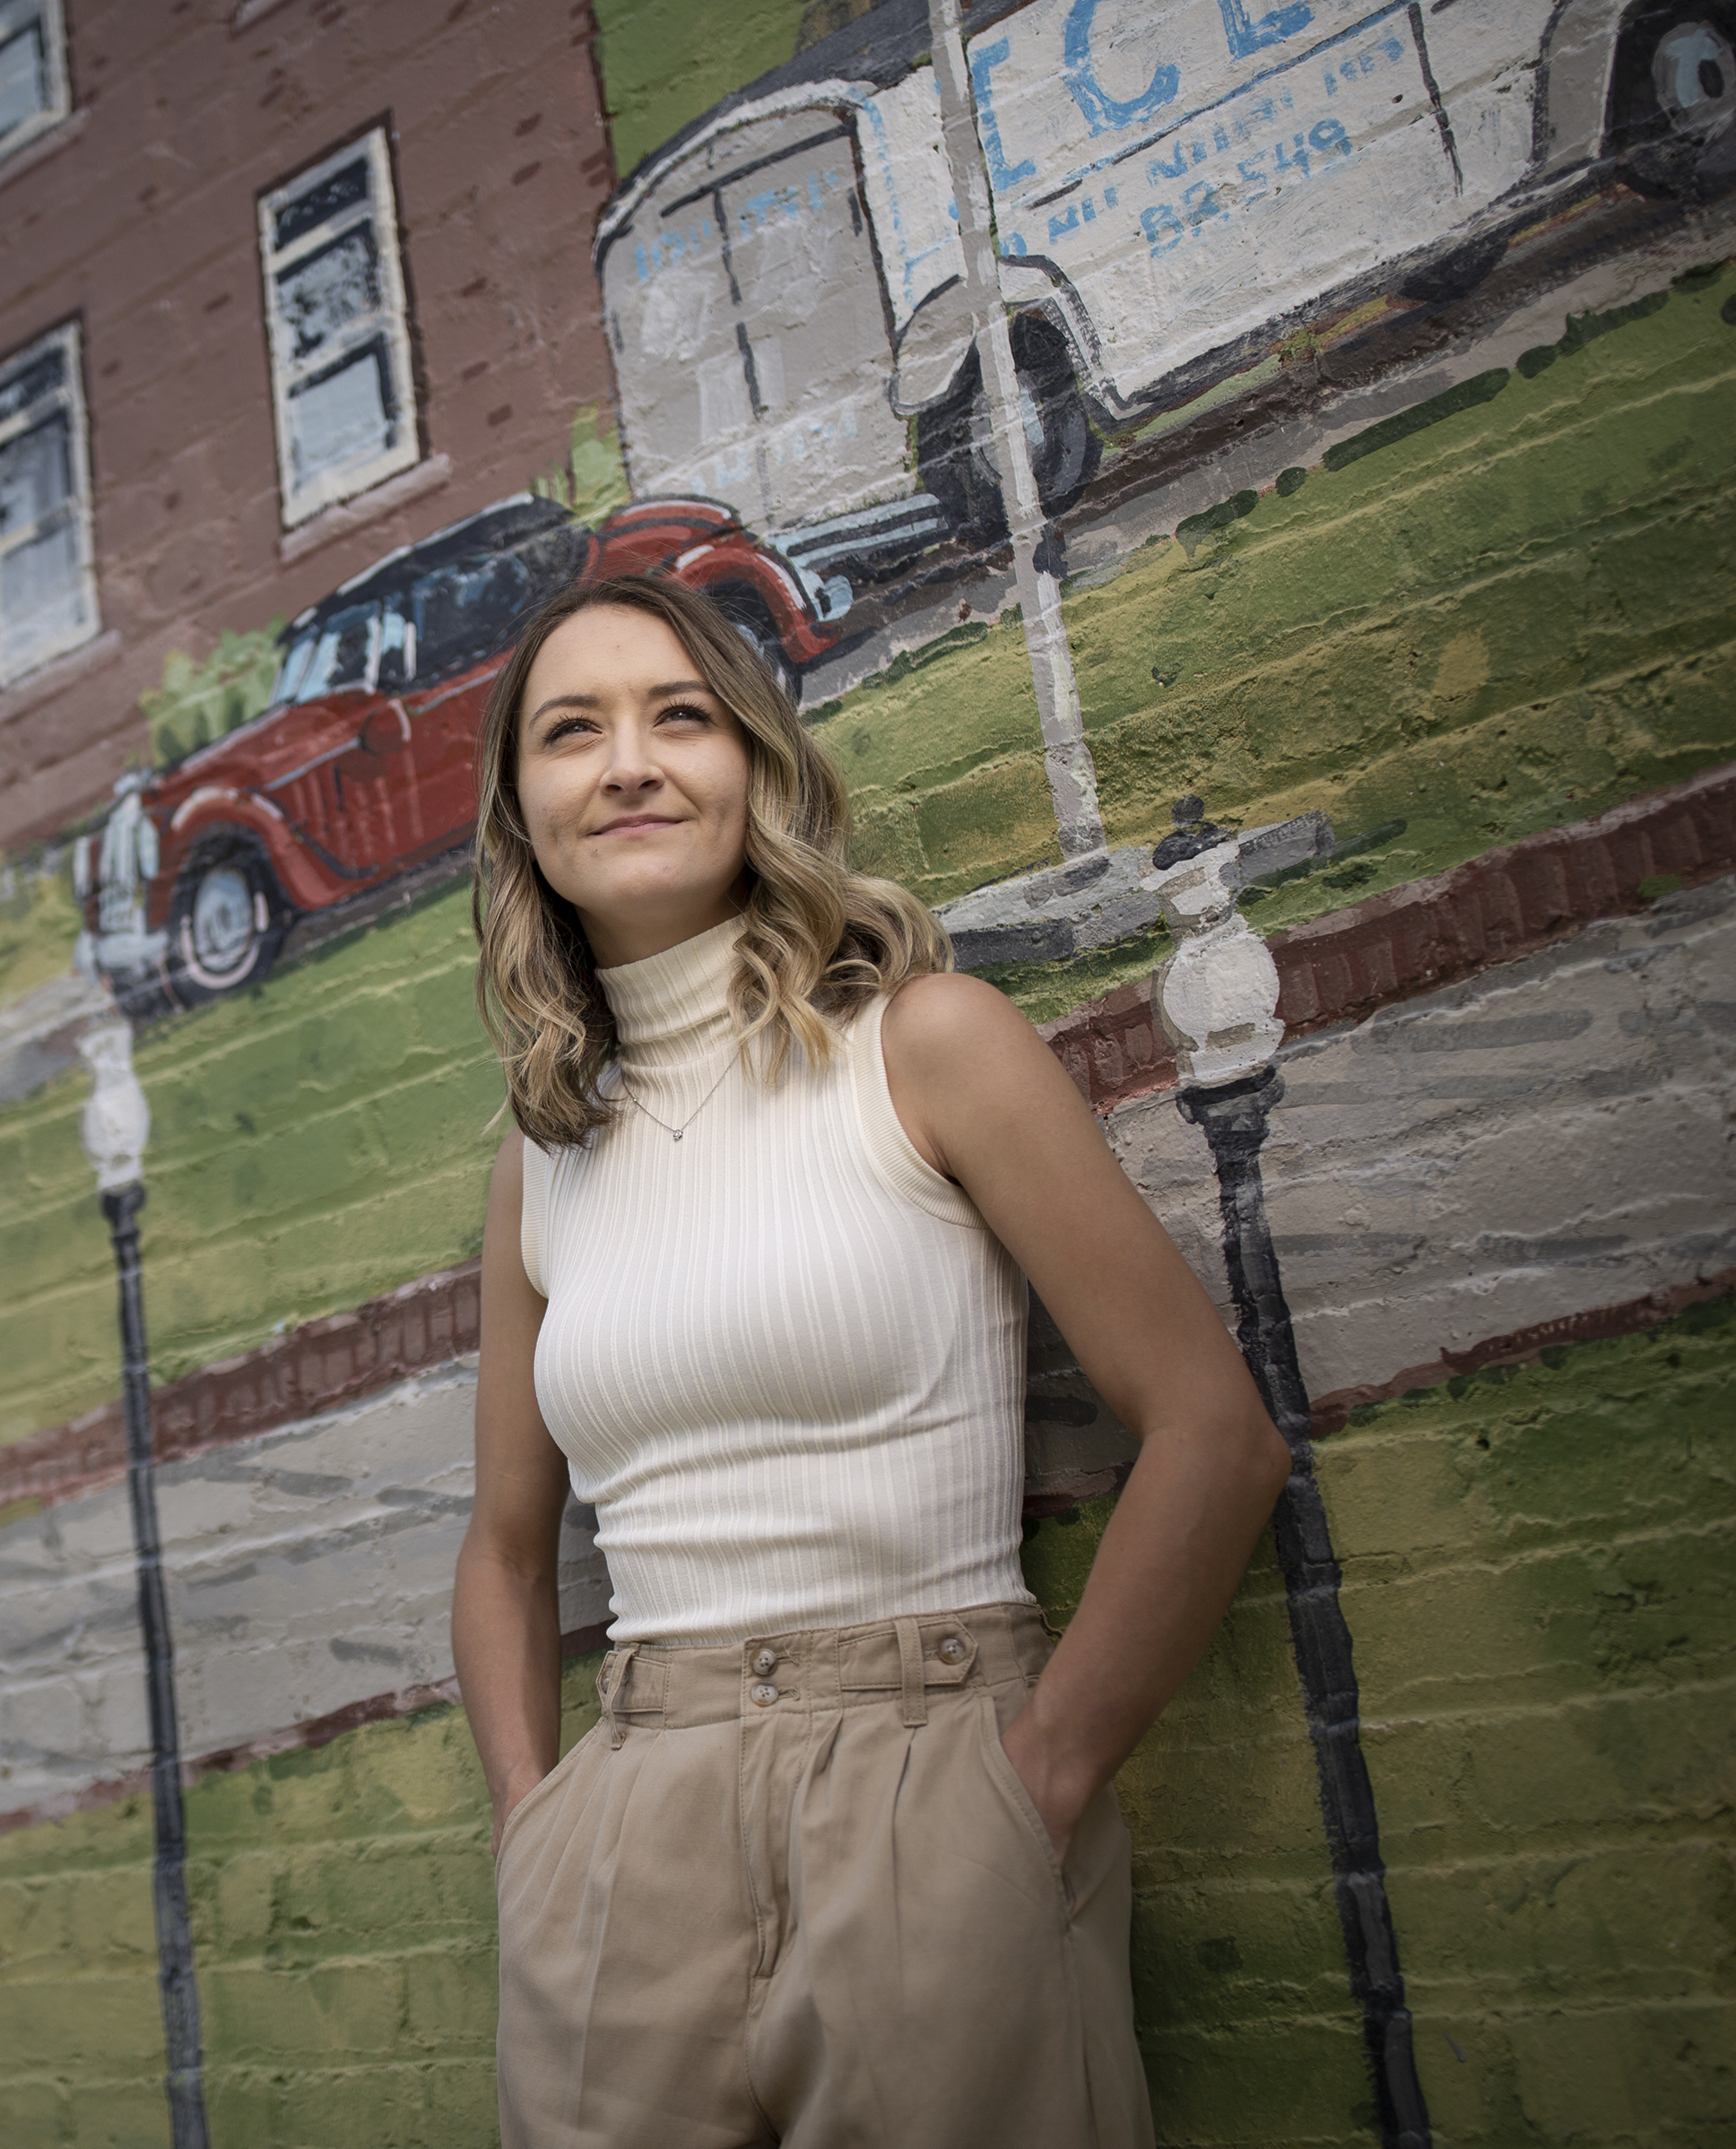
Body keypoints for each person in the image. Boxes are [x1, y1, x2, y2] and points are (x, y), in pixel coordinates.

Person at [451, 574, 1290, 2147]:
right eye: (573, 732)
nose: (626, 761)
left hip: (930, 1783)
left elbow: (1209, 1431)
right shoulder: (536, 1161)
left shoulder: (927, 1045)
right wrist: (532, 1832)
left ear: (754, 768)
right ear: (523, 813)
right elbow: (505, 1547)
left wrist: (1031, 1783)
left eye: (676, 715)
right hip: (626, 1830)